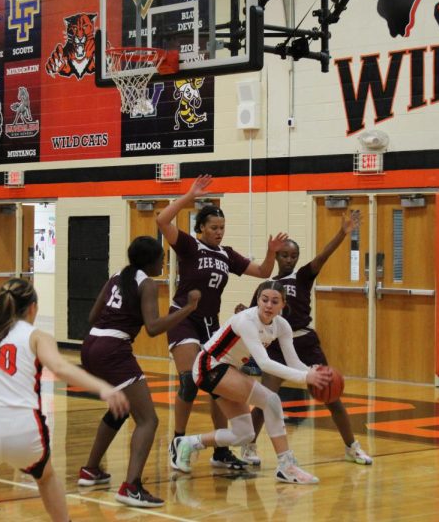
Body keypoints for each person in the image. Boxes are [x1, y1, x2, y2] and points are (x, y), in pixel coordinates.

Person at [0, 278, 130, 522]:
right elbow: (60, 367)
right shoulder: (37, 336)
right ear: (33, 308)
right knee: (46, 477)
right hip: (24, 430)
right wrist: (103, 388)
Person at [156, 174, 287, 469]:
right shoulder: (190, 246)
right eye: (214, 228)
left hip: (211, 324)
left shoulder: (227, 255)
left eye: (222, 228)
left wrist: (271, 252)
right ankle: (178, 441)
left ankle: (220, 450)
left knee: (219, 386)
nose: (219, 232)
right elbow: (163, 221)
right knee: (189, 381)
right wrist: (189, 195)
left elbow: (264, 270)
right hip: (184, 318)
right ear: (201, 228)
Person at [242, 211, 373, 466]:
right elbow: (253, 315)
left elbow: (323, 255)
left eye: (293, 255)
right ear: (277, 256)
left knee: (331, 396)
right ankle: (248, 446)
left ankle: (352, 446)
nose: (289, 259)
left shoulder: (302, 276)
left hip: (306, 343)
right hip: (279, 347)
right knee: (265, 398)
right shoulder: (268, 285)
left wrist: (342, 233)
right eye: (284, 255)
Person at [79, 236, 202, 508]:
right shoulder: (146, 283)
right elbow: (154, 328)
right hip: (113, 349)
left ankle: (90, 469)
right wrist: (189, 309)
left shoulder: (116, 276)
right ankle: (131, 486)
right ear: (152, 260)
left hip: (90, 344)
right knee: (149, 420)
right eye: (162, 258)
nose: (164, 262)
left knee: (120, 408)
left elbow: (91, 317)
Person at [170, 281, 332, 483]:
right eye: (264, 300)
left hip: (227, 370)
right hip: (209, 366)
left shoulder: (282, 326)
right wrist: (306, 377)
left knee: (244, 434)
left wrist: (311, 371)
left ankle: (187, 443)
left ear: (283, 304)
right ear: (258, 300)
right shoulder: (246, 320)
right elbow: (264, 363)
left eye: (274, 301)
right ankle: (286, 465)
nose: (268, 305)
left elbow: (293, 361)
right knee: (271, 400)